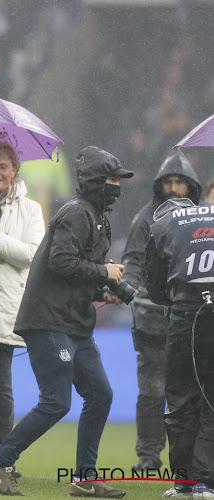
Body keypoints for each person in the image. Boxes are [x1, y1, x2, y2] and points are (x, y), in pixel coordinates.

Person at [0, 146, 132, 498]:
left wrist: (100, 289)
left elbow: (69, 273)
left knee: (100, 394)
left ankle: (84, 478)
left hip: (73, 323)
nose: (116, 186)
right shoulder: (77, 214)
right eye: (111, 179)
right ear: (95, 181)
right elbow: (60, 262)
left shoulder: (94, 216)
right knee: (57, 401)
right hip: (49, 321)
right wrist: (104, 272)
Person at [121, 150, 201, 472]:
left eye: (178, 181)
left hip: (192, 319)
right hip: (152, 320)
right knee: (152, 392)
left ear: (190, 186)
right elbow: (133, 262)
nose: (172, 187)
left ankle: (191, 461)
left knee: (189, 394)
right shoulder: (145, 218)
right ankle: (149, 457)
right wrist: (124, 290)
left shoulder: (201, 219)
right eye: (167, 181)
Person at [0, 142, 45, 462]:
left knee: (0, 389)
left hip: (3, 306)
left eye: (3, 166)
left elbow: (32, 254)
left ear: (15, 171)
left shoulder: (30, 209)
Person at [146, 197, 214, 499]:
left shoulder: (163, 223)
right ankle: (204, 480)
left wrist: (175, 299)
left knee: (181, 400)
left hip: (184, 318)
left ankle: (184, 483)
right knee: (211, 399)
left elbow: (155, 285)